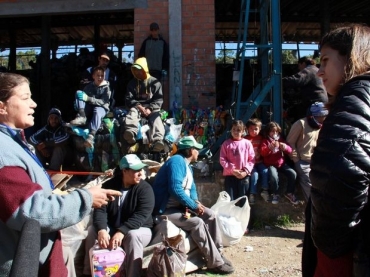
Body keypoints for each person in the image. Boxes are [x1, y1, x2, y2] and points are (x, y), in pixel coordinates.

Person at [0, 72, 121, 276]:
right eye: (25, 97)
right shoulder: (3, 151)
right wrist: (86, 198)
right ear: (2, 106)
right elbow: (31, 212)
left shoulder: (16, 143)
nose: (34, 104)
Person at [302, 25, 370, 277]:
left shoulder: (355, 97)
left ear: (351, 57)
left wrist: (329, 244)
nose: (319, 72)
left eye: (326, 61)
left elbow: (340, 170)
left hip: (345, 252)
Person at [152, 135, 235, 275]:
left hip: (179, 207)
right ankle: (214, 263)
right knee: (197, 222)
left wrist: (195, 202)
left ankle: (218, 252)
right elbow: (175, 188)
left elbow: (192, 188)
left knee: (210, 215)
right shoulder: (176, 161)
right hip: (165, 210)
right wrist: (193, 206)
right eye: (196, 149)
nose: (198, 152)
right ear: (190, 150)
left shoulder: (187, 166)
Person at [83, 154, 154, 277]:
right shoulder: (109, 186)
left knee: (133, 235)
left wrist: (122, 231)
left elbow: (142, 215)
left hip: (139, 229)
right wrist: (102, 230)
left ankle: (133, 274)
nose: (140, 173)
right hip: (114, 227)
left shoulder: (145, 189)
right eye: (136, 170)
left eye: (140, 170)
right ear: (124, 171)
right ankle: (88, 272)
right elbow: (100, 210)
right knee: (92, 230)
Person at [286, 102, 328, 202]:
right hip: (303, 161)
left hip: (316, 161)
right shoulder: (301, 124)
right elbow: (290, 142)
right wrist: (296, 160)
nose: (325, 118)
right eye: (323, 116)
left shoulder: (320, 126)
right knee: (309, 184)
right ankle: (313, 209)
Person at [124, 57, 165, 152]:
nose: (138, 73)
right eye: (135, 70)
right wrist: (139, 106)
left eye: (140, 70)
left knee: (156, 118)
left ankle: (158, 141)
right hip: (137, 107)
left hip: (151, 108)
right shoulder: (132, 83)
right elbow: (128, 99)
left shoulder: (155, 82)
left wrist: (150, 109)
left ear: (145, 69)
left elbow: (159, 100)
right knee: (132, 114)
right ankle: (130, 133)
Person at [70, 66, 111, 148]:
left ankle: (91, 135)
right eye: (98, 75)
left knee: (97, 110)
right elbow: (83, 97)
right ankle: (82, 116)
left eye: (102, 76)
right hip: (89, 107)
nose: (100, 78)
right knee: (79, 93)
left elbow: (103, 102)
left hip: (101, 108)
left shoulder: (107, 88)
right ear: (93, 76)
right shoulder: (88, 86)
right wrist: (78, 104)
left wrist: (89, 98)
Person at [260, 121, 298, 205]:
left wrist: (285, 147)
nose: (275, 133)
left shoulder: (280, 140)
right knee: (274, 176)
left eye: (276, 131)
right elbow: (262, 153)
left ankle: (289, 192)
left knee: (293, 173)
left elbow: (290, 150)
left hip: (281, 163)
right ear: (268, 132)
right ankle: (275, 193)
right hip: (271, 164)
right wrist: (269, 148)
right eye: (272, 131)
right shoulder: (265, 141)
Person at [283, 56, 328, 122]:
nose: (299, 68)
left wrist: (280, 81)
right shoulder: (316, 70)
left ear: (303, 63)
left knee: (307, 123)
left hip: (314, 102)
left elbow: (297, 80)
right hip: (323, 102)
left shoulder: (309, 70)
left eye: (299, 65)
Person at [219, 120, 255, 202]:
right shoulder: (226, 144)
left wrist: (245, 171)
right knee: (230, 199)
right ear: (231, 130)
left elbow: (252, 159)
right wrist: (232, 170)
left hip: (244, 176)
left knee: (243, 199)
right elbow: (222, 159)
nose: (235, 132)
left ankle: (242, 214)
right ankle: (231, 215)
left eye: (238, 130)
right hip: (230, 176)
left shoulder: (247, 143)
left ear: (243, 131)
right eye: (234, 129)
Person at [245, 118, 269, 204]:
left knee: (265, 171)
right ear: (247, 129)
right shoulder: (245, 139)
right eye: (251, 129)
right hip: (250, 164)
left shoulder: (262, 138)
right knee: (254, 175)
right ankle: (252, 194)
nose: (253, 131)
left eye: (256, 129)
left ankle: (264, 190)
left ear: (260, 129)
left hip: (260, 162)